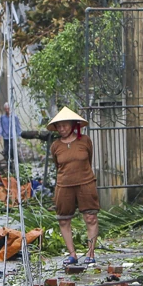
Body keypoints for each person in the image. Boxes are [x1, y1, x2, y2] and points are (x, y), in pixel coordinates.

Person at [47, 107, 99, 266]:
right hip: (64, 186)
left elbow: (88, 159)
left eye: (65, 125)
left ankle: (90, 253)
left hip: (86, 183)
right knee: (63, 220)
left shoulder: (85, 141)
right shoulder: (55, 146)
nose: (62, 129)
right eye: (59, 126)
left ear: (73, 125)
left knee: (90, 217)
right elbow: (58, 166)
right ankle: (72, 254)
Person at [0, 102, 21, 172]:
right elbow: (0, 126)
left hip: (13, 137)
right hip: (6, 137)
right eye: (6, 109)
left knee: (12, 150)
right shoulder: (2, 118)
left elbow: (18, 126)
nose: (7, 110)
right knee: (6, 151)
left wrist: (19, 135)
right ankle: (9, 165)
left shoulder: (14, 117)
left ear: (10, 109)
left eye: (8, 109)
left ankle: (15, 164)